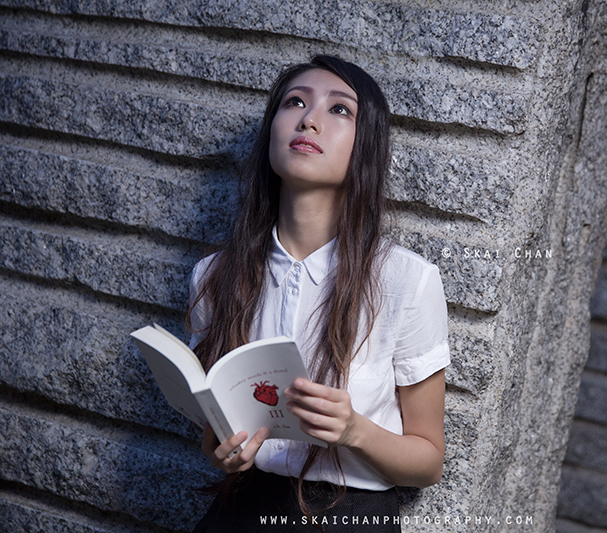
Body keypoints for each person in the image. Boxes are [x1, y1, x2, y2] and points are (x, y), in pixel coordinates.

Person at [187, 55, 450, 532]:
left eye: (339, 110)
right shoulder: (214, 275)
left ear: (366, 147)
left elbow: (429, 461)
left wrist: (355, 431)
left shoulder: (408, 281)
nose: (309, 118)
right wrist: (225, 454)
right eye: (295, 102)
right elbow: (213, 439)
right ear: (272, 129)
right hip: (239, 513)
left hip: (350, 518)